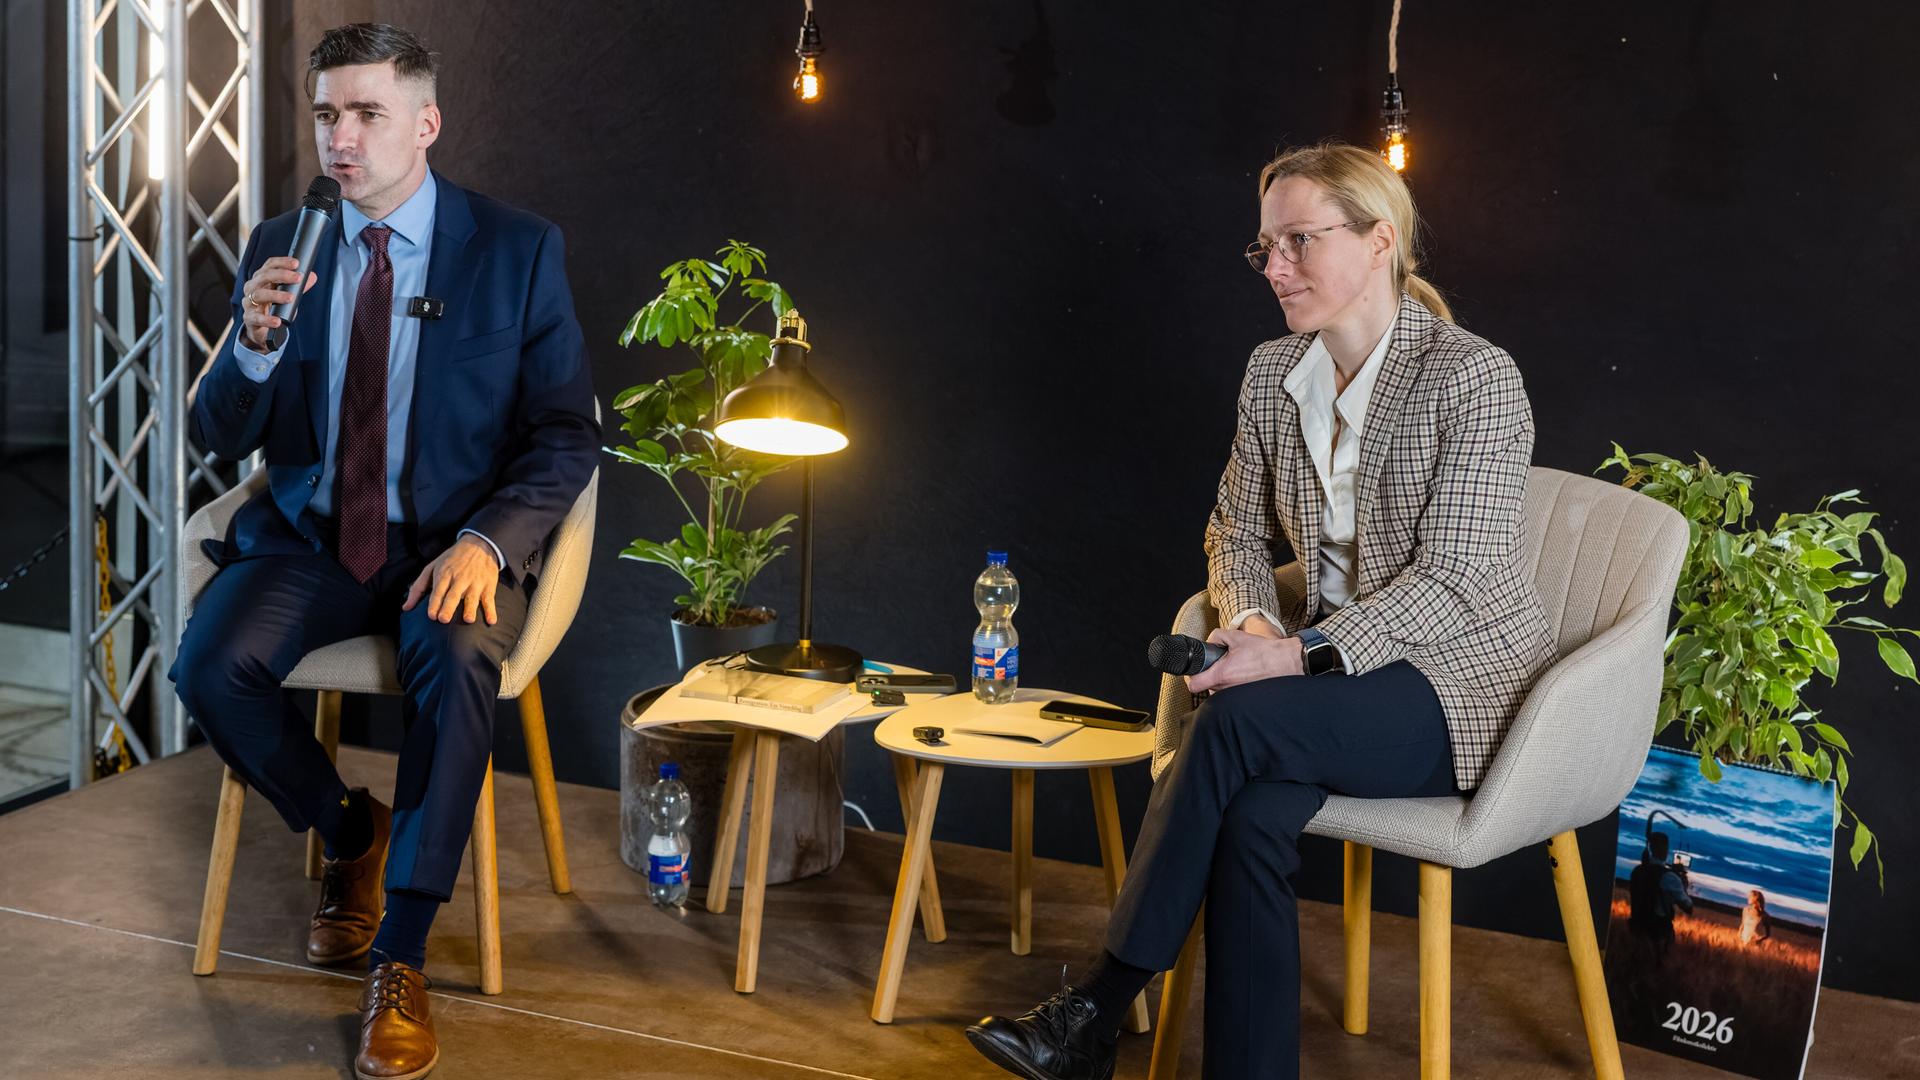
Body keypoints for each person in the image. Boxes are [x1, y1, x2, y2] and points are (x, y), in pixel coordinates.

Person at [965, 143, 1556, 1079]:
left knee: (1234, 727)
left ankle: (1099, 1009)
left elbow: (1460, 581)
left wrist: (1296, 657)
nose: (1275, 268)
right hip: (1326, 690)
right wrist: (1250, 624)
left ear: (1379, 242)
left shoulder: (1472, 379)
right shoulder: (1273, 374)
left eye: (1300, 242)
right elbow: (1234, 530)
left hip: (1459, 686)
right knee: (1249, 818)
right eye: (1266, 248)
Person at [167, 23, 598, 1080]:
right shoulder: (287, 238)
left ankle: (399, 958)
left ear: (426, 122)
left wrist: (493, 545)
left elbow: (564, 435)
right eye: (326, 116)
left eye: (365, 115)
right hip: (316, 536)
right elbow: (217, 434)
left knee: (453, 663)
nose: (341, 140)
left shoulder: (515, 249)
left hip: (451, 542)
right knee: (207, 667)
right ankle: (347, 833)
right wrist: (253, 347)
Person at [1628, 831, 1695, 950]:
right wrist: (1683, 885)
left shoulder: (1637, 871)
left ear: (1650, 847)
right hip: (1658, 934)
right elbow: (1688, 907)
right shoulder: (1669, 877)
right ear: (1666, 849)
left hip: (1634, 931)